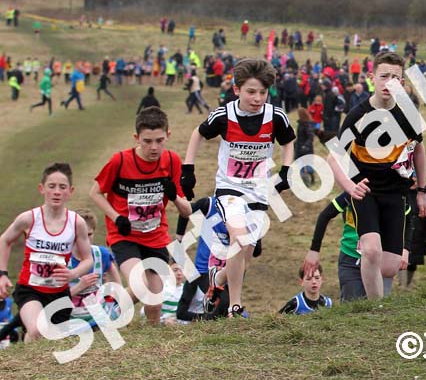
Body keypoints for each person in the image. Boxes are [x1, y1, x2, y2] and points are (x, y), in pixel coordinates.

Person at [182, 58, 295, 318]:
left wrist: (286, 170)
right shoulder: (224, 115)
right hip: (229, 188)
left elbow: (289, 141)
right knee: (239, 238)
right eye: (251, 92)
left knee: (246, 252)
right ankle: (235, 305)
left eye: (262, 93)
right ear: (237, 90)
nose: (257, 98)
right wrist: (188, 169)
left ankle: (217, 278)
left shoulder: (275, 116)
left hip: (258, 190)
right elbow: (197, 133)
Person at [327, 51, 426, 299]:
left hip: (396, 194)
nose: (389, 82)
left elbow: (419, 149)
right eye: (384, 76)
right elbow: (333, 157)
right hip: (366, 192)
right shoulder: (358, 115)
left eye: (395, 77)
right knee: (372, 251)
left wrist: (422, 190)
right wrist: (350, 188)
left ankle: (365, 264)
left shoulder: (408, 114)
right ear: (372, 77)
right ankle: (375, 308)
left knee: (390, 266)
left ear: (402, 83)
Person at [89, 107, 192, 324]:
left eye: (159, 140)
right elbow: (95, 192)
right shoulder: (120, 161)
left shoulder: (172, 161)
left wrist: (174, 196)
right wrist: (117, 217)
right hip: (124, 235)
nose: (153, 147)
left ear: (168, 135)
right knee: (140, 284)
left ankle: (151, 340)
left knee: (155, 303)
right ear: (136, 138)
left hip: (155, 237)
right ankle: (106, 317)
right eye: (147, 141)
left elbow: (187, 211)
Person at [0, 163, 93, 342]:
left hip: (59, 293)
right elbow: (5, 240)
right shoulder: (29, 218)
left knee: (48, 341)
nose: (57, 192)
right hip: (30, 290)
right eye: (52, 186)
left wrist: (73, 273)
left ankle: (26, 354)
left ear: (70, 191)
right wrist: (2, 275)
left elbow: (87, 259)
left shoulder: (76, 223)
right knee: (37, 330)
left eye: (62, 187)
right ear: (42, 189)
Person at [302, 192, 408, 301]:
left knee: (380, 306)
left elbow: (408, 216)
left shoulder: (393, 193)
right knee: (352, 307)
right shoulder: (354, 191)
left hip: (381, 260)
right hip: (351, 259)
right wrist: (314, 250)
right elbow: (325, 215)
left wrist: (405, 249)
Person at [68, 209, 122, 328]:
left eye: (89, 234)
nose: (85, 239)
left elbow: (118, 285)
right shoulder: (63, 259)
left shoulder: (101, 254)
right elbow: (55, 299)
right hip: (71, 313)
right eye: (79, 235)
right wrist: (80, 287)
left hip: (98, 310)